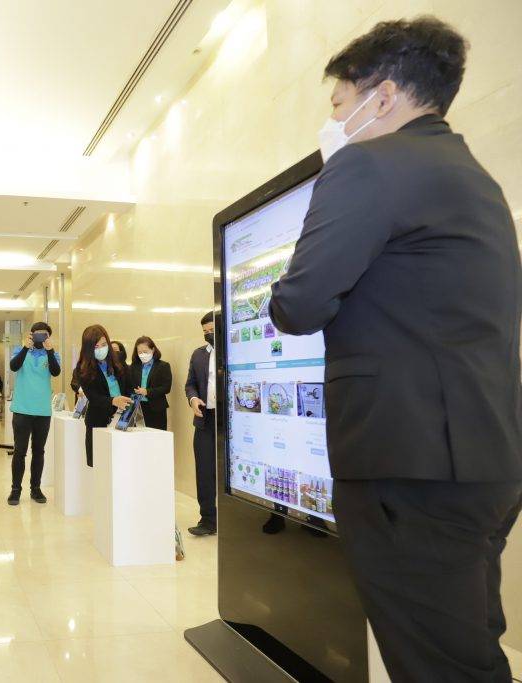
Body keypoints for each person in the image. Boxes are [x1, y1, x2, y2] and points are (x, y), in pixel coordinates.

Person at [270, 17, 522, 681]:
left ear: (381, 97)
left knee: (439, 667)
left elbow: (298, 304)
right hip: (484, 459)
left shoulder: (367, 166)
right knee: (466, 650)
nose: (333, 121)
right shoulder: (475, 180)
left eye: (339, 104)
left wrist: (278, 285)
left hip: (407, 466)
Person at [7, 321, 61, 505]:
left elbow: (56, 372)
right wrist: (25, 347)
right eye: (37, 334)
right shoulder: (20, 350)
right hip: (22, 409)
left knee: (39, 451)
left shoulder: (53, 354)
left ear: (48, 337)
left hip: (42, 411)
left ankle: (36, 489)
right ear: (31, 335)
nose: (40, 337)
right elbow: (14, 366)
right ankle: (15, 490)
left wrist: (50, 351)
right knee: (19, 451)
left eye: (44, 334)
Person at [76, 325, 132, 467]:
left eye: (104, 344)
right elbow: (93, 397)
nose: (101, 348)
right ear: (88, 348)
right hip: (98, 421)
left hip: (122, 418)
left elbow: (129, 385)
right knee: (100, 465)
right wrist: (113, 400)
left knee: (122, 464)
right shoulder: (82, 368)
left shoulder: (118, 361)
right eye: (96, 346)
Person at [184, 312, 217, 537]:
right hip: (205, 420)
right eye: (205, 332)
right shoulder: (198, 355)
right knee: (204, 471)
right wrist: (193, 399)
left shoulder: (234, 351)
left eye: (212, 330)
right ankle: (208, 519)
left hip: (229, 423)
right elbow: (190, 384)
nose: (208, 335)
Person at [129, 336, 172, 430]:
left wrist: (147, 391)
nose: (142, 354)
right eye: (140, 352)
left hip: (156, 408)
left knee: (156, 436)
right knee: (139, 436)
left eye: (145, 351)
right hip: (138, 407)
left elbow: (166, 388)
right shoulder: (133, 367)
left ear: (153, 349)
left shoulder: (163, 366)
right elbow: (129, 385)